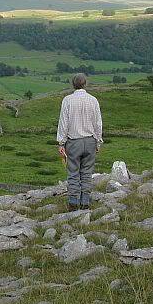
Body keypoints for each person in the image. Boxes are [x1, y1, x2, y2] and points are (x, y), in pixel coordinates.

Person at [56, 73, 103, 211]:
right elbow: (98, 123)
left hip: (73, 142)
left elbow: (63, 123)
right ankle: (85, 202)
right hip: (90, 141)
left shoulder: (67, 100)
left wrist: (61, 143)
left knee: (73, 173)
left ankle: (73, 202)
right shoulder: (93, 100)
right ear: (85, 84)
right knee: (87, 173)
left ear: (73, 84)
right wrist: (98, 141)